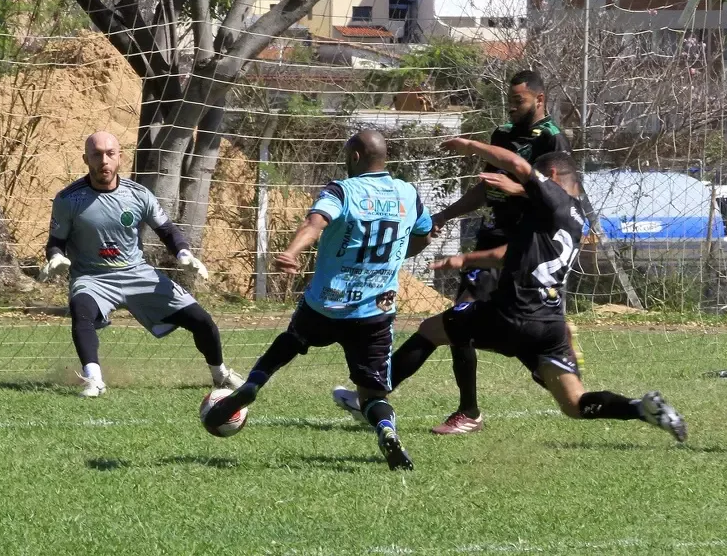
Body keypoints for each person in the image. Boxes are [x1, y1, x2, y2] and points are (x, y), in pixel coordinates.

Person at [335, 139, 687, 463]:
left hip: (512, 314)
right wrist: (466, 260)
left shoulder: (553, 198)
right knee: (574, 403)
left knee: (430, 330)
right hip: (550, 326)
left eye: (535, 181)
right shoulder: (574, 217)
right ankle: (641, 408)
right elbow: (513, 254)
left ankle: (371, 395)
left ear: (551, 177)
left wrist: (469, 145)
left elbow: (518, 164)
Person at [334, 69, 575, 435]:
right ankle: (387, 396)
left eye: (519, 101)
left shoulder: (553, 139)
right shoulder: (503, 135)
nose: (512, 108)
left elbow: (558, 198)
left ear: (539, 99)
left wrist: (516, 189)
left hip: (523, 246)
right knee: (456, 321)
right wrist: (444, 215)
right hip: (492, 237)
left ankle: (464, 407)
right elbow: (486, 189)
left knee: (462, 323)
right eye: (509, 101)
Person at [203, 130, 433, 471]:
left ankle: (252, 384)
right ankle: (385, 428)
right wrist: (395, 257)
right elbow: (424, 236)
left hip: (327, 303)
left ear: (355, 157)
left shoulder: (342, 190)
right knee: (372, 395)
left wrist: (292, 251)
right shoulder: (409, 194)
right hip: (375, 310)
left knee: (291, 340)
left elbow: (315, 222)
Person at [40, 131, 243, 397]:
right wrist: (55, 257)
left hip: (137, 273)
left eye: (110, 154)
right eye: (96, 155)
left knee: (201, 320)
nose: (104, 160)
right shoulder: (68, 199)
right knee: (81, 311)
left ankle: (220, 375)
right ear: (86, 159)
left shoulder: (138, 194)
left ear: (120, 157)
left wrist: (184, 254)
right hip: (92, 277)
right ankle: (94, 380)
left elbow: (167, 230)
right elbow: (55, 242)